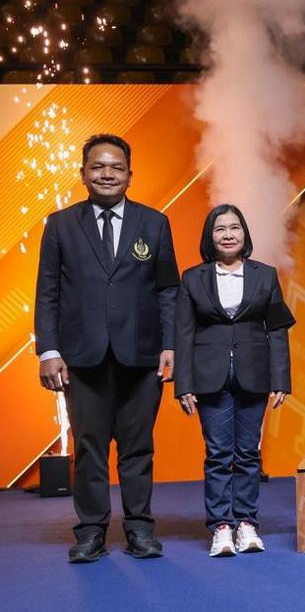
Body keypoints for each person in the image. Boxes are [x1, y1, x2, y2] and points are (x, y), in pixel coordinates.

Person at [34, 133, 179, 563]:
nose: (107, 173)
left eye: (116, 167)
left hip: (142, 356)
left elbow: (168, 290)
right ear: (82, 174)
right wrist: (48, 351)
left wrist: (171, 345)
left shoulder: (154, 223)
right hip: (81, 357)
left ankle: (139, 530)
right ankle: (91, 532)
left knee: (138, 448)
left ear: (130, 174)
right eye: (98, 166)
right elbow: (48, 293)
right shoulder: (59, 224)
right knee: (89, 447)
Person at [174, 205, 295, 556]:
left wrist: (281, 379)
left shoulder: (265, 275)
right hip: (209, 378)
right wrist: (183, 384)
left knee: (247, 455)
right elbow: (183, 334)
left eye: (235, 228)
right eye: (220, 229)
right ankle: (221, 527)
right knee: (217, 454)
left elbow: (277, 330)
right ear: (209, 237)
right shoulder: (192, 277)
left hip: (254, 376)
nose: (228, 234)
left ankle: (246, 524)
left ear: (245, 235)